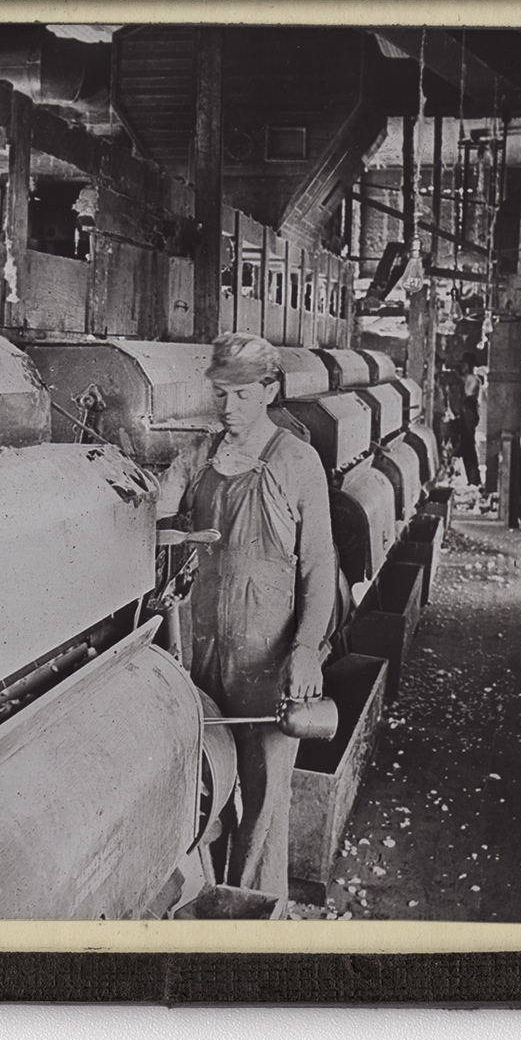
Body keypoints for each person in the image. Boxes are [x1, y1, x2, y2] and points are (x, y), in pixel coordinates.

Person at [156, 333, 336, 897]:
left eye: (241, 394)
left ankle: (258, 914)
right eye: (220, 394)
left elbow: (320, 566)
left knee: (264, 805)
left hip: (267, 664)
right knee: (204, 790)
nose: (228, 407)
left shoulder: (296, 461)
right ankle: (210, 902)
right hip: (202, 656)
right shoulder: (198, 457)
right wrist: (165, 523)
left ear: (270, 391)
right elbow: (158, 519)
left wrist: (306, 650)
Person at [454, 353, 484, 489]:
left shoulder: (474, 380)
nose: (463, 367)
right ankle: (471, 479)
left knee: (468, 448)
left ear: (470, 365)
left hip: (469, 413)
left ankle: (474, 479)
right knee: (466, 447)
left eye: (465, 364)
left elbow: (468, 394)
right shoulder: (467, 379)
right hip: (465, 413)